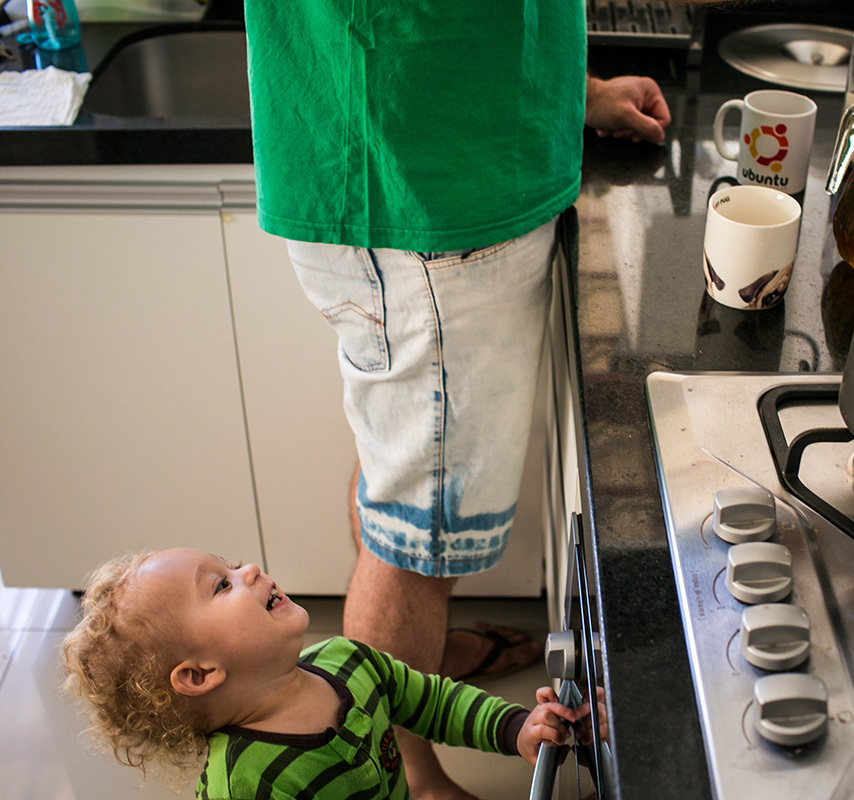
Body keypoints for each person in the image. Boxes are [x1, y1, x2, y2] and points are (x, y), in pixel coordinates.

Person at [240, 1, 669, 796]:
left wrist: (568, 90)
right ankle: (408, 771)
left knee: (402, 477)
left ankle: (418, 672)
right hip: (430, 189)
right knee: (417, 538)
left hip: (433, 158)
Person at [60, 549, 598, 799]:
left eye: (228, 564)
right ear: (200, 674)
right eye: (221, 585)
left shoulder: (347, 660)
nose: (247, 569)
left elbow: (432, 703)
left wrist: (515, 729)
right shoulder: (246, 783)